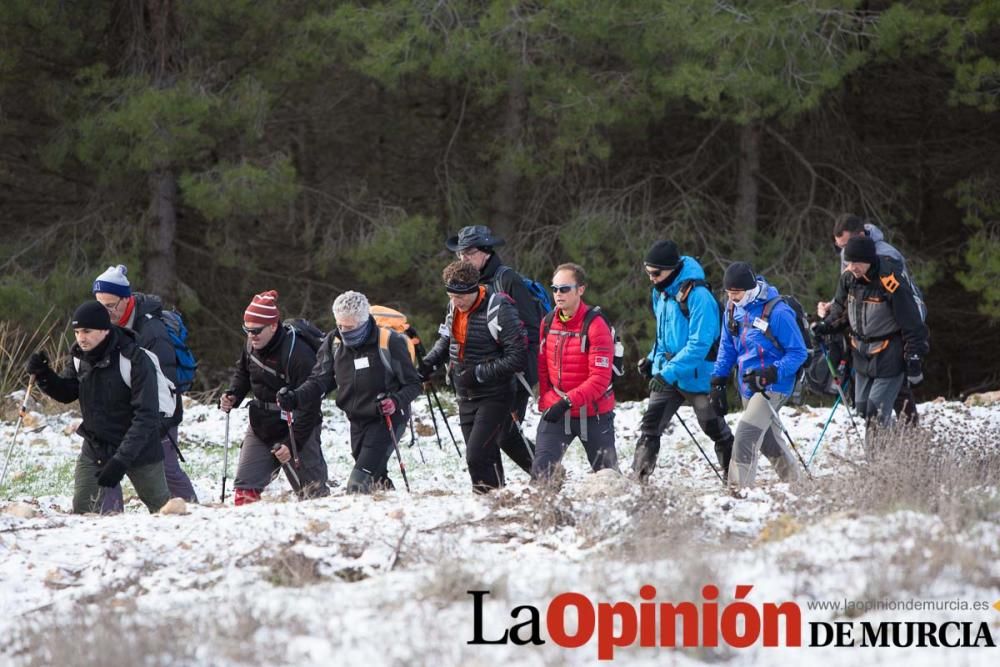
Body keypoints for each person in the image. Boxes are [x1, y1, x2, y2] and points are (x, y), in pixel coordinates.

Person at [26, 301, 170, 514]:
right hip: (96, 447)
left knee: (164, 511)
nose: (80, 337)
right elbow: (67, 392)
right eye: (76, 332)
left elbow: (146, 417)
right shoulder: (79, 357)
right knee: (83, 512)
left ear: (104, 329)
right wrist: (45, 376)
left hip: (139, 449)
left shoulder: (135, 359)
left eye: (86, 331)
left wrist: (121, 460)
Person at [278, 291, 422, 494]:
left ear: (364, 321)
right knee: (376, 476)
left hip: (387, 419)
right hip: (357, 419)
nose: (344, 332)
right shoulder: (334, 342)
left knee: (358, 483)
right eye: (340, 325)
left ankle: (368, 512)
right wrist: (295, 396)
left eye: (350, 327)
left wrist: (395, 401)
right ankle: (391, 510)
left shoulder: (389, 341)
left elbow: (414, 384)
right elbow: (319, 380)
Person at [92, 264, 198, 508]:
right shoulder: (107, 323)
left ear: (126, 298)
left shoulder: (152, 330)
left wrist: (157, 421)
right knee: (107, 463)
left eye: (110, 305)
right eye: (100, 305)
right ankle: (108, 521)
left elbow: (167, 380)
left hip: (160, 411)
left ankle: (193, 512)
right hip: (122, 408)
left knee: (166, 469)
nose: (105, 312)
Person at [812, 237, 929, 457]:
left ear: (868, 260)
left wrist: (914, 355)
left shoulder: (889, 281)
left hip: (890, 353)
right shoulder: (849, 279)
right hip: (862, 354)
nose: (852, 267)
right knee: (864, 407)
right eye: (849, 262)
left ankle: (877, 465)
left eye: (857, 263)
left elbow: (913, 324)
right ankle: (902, 449)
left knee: (876, 411)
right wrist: (825, 327)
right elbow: (840, 309)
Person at [418, 260, 528, 493]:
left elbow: (517, 357)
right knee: (486, 453)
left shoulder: (499, 309)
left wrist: (478, 374)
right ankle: (495, 500)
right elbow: (447, 340)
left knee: (475, 455)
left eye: (461, 297)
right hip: (464, 394)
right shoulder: (453, 308)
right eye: (451, 296)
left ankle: (489, 498)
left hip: (496, 394)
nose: (456, 302)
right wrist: (427, 365)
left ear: (475, 289)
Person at [632, 240, 734, 482]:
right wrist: (651, 360)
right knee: (650, 426)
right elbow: (662, 338)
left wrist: (667, 372)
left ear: (673, 268)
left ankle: (736, 478)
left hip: (698, 376)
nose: (652, 279)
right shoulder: (660, 293)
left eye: (656, 273)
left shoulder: (700, 297)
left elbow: (699, 345)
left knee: (714, 428)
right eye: (648, 273)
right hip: (668, 373)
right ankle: (638, 481)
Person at [219, 290, 329, 504]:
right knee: (244, 492)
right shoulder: (251, 343)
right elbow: (243, 372)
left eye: (256, 330)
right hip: (261, 423)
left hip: (296, 424)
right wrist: (233, 394)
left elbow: (310, 407)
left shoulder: (298, 353)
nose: (251, 335)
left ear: (273, 325)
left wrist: (291, 443)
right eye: (247, 330)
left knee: (313, 497)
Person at [445, 225, 539, 475]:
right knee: (494, 437)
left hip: (513, 372)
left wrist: (523, 376)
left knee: (503, 433)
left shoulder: (507, 279)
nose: (464, 258)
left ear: (486, 252)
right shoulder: (463, 286)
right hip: (483, 378)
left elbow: (531, 329)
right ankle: (496, 490)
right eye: (460, 254)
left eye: (469, 253)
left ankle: (547, 472)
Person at [710, 262, 809, 488]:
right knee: (768, 442)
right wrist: (718, 379)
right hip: (748, 382)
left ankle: (739, 491)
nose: (732, 298)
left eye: (736, 293)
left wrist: (773, 372)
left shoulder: (778, 312)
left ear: (751, 288)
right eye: (728, 293)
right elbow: (727, 346)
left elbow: (798, 352)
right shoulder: (732, 309)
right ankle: (797, 485)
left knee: (746, 434)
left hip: (775, 383)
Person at [532, 263, 618, 482]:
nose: (558, 294)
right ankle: (545, 515)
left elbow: (599, 380)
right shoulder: (548, 321)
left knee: (609, 480)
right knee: (542, 474)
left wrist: (566, 402)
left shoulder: (596, 325)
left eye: (565, 288)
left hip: (594, 412)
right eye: (555, 289)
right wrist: (547, 400)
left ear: (581, 289)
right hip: (557, 409)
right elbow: (543, 366)